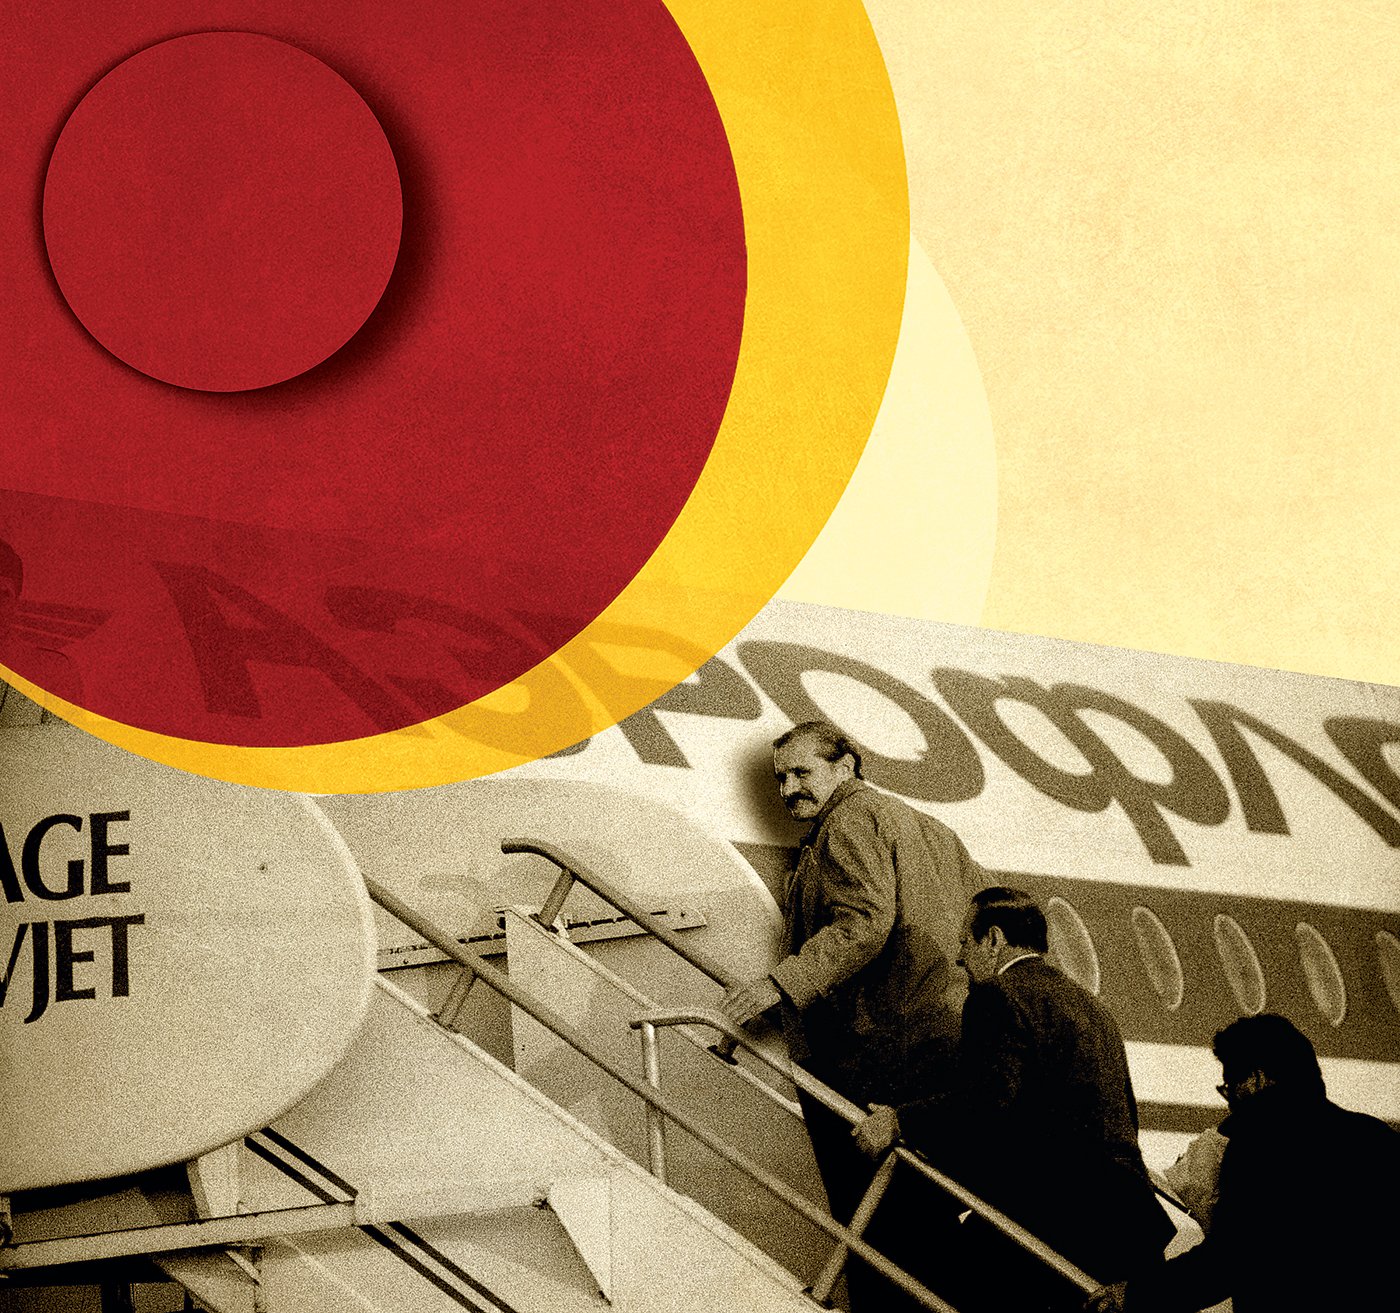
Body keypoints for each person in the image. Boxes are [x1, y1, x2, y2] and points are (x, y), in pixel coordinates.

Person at [720, 720, 987, 1303]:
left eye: (802, 772)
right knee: (924, 1225)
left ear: (846, 765)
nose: (789, 789)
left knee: (875, 1230)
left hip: (876, 1053)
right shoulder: (930, 828)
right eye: (780, 778)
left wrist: (779, 986)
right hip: (942, 1046)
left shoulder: (847, 822)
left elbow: (864, 923)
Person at [855, 887, 1173, 1312]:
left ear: (994, 940)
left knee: (921, 1281)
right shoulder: (1088, 1005)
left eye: (965, 942)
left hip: (1059, 1216)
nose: (960, 959)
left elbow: (986, 1102)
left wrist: (899, 1121)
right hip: (1122, 1218)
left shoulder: (998, 997)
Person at [1085, 1012, 1400, 1313]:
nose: (1230, 1101)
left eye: (1229, 1086)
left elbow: (1231, 1260)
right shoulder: (1377, 1138)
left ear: (1256, 1079)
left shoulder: (1261, 1144)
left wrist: (1135, 1295)